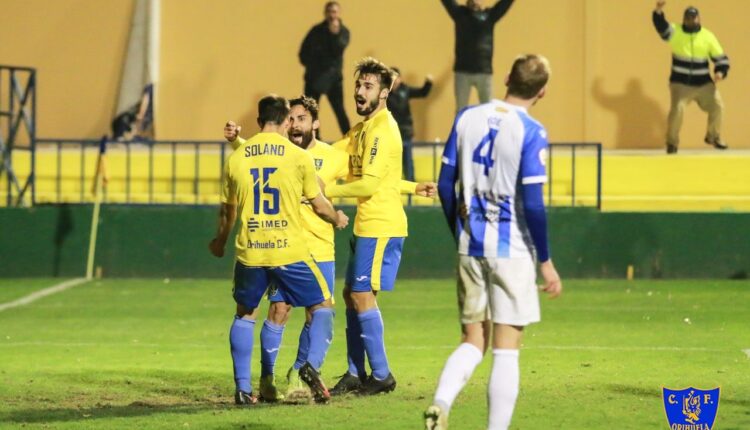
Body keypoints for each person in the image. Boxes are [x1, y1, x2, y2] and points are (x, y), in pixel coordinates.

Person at [425, 54, 562, 430]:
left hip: (471, 245)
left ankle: (441, 402)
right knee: (506, 350)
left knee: (473, 339)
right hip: (512, 251)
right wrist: (546, 260)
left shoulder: (466, 116)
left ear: (506, 78)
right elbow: (533, 204)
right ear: (543, 92)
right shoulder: (532, 131)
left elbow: (442, 185)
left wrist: (460, 233)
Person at [209, 95, 348, 405]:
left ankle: (245, 390)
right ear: (286, 121)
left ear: (259, 122)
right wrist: (336, 216)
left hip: (251, 252)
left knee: (246, 314)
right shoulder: (298, 157)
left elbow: (226, 212)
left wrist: (219, 241)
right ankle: (309, 366)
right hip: (288, 252)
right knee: (322, 305)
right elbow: (319, 203)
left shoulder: (237, 157)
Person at [324, 57, 437, 396]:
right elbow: (380, 178)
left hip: (381, 226)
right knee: (352, 295)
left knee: (360, 295)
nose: (360, 91)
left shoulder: (383, 130)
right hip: (366, 225)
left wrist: (323, 190)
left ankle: (382, 375)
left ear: (385, 93)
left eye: (368, 86)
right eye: (358, 85)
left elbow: (369, 186)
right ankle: (356, 372)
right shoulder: (362, 130)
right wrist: (413, 187)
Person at [652, 1, 730, 154]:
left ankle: (713, 136)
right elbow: (661, 26)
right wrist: (658, 10)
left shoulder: (708, 36)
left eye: (694, 17)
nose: (691, 20)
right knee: (677, 109)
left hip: (703, 84)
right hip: (680, 84)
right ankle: (672, 143)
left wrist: (720, 71)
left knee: (718, 106)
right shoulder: (675, 31)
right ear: (684, 19)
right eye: (688, 17)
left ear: (698, 18)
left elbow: (721, 58)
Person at [439, 0, 515, 111]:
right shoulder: (460, 14)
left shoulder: (489, 16)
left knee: (488, 110)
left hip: (483, 70)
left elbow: (504, 4)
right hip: (462, 71)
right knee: (461, 110)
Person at [299, 1, 351, 137]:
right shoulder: (316, 31)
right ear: (325, 13)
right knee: (311, 112)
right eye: (330, 12)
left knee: (340, 111)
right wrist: (311, 65)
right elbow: (303, 52)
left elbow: (338, 49)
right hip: (313, 78)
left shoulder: (343, 32)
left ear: (339, 13)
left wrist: (335, 34)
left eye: (334, 12)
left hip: (334, 81)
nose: (332, 15)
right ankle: (315, 139)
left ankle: (351, 139)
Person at [386, 68, 433, 181]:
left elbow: (422, 93)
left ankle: (411, 185)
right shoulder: (384, 93)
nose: (394, 80)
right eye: (391, 77)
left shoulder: (405, 90)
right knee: (390, 159)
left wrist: (428, 83)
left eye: (396, 77)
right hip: (390, 132)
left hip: (405, 131)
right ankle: (390, 183)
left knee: (407, 158)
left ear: (400, 79)